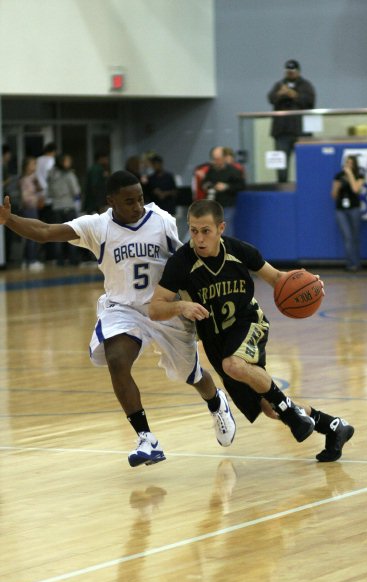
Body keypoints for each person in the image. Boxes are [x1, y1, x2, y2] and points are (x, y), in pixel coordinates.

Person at [0, 171, 236, 467]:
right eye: (129, 201)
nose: (137, 205)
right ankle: (146, 439)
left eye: (139, 198)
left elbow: (185, 263)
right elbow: (46, 231)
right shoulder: (97, 227)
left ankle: (216, 403)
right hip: (123, 308)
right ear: (111, 202)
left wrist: (197, 302)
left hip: (163, 308)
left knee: (192, 375)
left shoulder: (160, 219)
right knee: (116, 359)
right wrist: (10, 220)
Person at [148, 199, 354, 462]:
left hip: (248, 322)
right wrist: (181, 307)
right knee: (268, 407)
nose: (198, 238)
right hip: (215, 339)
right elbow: (155, 308)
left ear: (221, 228)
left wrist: (310, 284)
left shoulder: (240, 251)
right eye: (194, 230)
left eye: (206, 231)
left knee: (234, 364)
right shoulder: (181, 263)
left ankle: (292, 417)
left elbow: (278, 278)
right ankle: (334, 427)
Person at [267, 59, 316, 183]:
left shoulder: (306, 85)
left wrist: (293, 94)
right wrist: (280, 94)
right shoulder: (279, 85)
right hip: (282, 132)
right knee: (281, 166)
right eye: (288, 71)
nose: (290, 74)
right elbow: (271, 99)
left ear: (298, 71)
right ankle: (282, 186)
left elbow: (309, 102)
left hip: (301, 132)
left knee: (304, 164)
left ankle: (306, 186)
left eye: (292, 71)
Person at [201, 146, 245, 237]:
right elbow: (205, 182)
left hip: (227, 205)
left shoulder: (234, 171)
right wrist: (207, 185)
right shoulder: (211, 170)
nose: (216, 161)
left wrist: (227, 187)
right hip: (213, 205)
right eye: (214, 159)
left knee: (225, 230)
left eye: (218, 159)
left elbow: (241, 186)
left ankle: (226, 249)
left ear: (224, 158)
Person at [331, 155, 365, 272]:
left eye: (351, 163)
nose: (348, 165)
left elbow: (356, 189)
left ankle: (357, 263)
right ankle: (350, 264)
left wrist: (350, 174)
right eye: (347, 163)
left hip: (354, 208)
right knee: (348, 237)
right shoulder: (338, 176)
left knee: (355, 237)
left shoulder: (359, 176)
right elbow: (333, 195)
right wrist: (337, 187)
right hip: (341, 209)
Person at [47, 153, 82, 265]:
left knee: (57, 236)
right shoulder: (69, 175)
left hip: (56, 207)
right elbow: (76, 191)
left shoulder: (51, 175)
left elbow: (49, 192)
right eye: (68, 161)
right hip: (68, 206)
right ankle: (73, 259)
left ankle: (59, 260)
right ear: (63, 162)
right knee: (71, 234)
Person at [19, 156, 45, 271]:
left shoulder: (33, 178)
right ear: (26, 167)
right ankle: (31, 260)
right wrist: (36, 200)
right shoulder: (25, 179)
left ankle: (26, 260)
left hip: (33, 208)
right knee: (32, 234)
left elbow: (40, 189)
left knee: (30, 234)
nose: (35, 166)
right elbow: (25, 198)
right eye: (33, 164)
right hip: (29, 208)